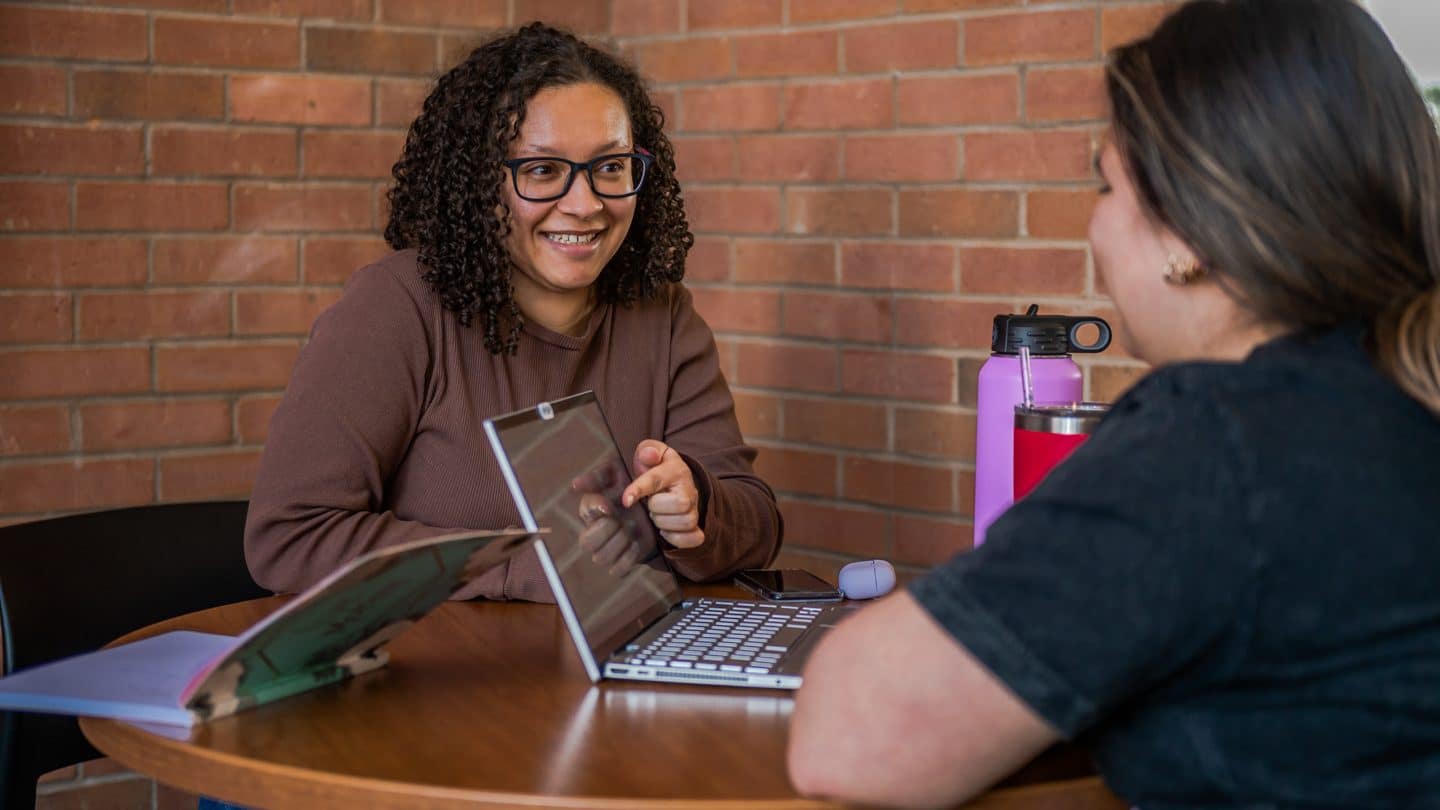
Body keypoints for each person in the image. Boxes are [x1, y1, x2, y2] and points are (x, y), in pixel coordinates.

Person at [786, 0, 1440, 806]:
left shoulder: (1217, 443)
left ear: (1185, 239)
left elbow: (848, 739)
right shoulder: (1392, 394)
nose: (1096, 223)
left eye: (1107, 184)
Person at [244, 23, 782, 603]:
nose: (585, 205)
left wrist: (698, 508)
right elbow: (290, 537)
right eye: (542, 170)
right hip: (450, 682)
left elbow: (757, 523)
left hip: (617, 675)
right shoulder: (396, 308)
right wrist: (522, 565)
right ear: (481, 183)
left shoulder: (664, 317)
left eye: (611, 167)